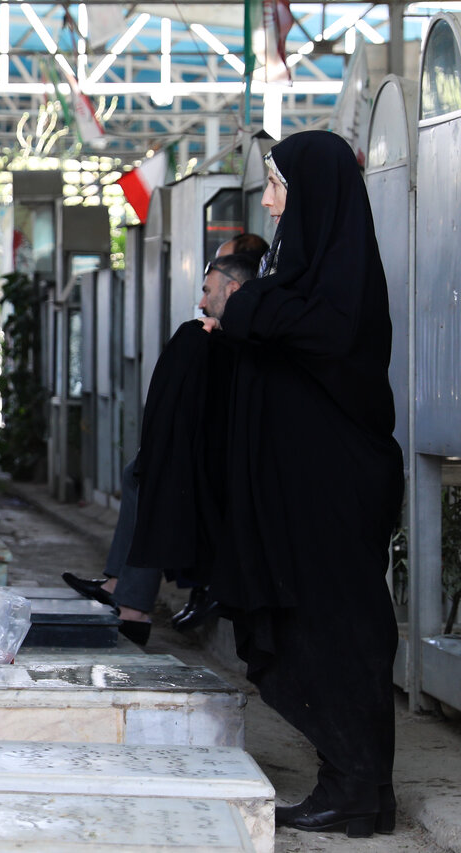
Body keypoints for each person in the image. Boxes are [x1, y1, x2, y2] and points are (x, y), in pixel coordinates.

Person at [203, 132, 403, 837]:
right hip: (307, 496)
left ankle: (356, 787)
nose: (267, 199)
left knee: (337, 632)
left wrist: (245, 310)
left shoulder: (340, 285)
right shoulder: (308, 274)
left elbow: (313, 331)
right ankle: (356, 785)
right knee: (318, 627)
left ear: (314, 193)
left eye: (279, 186)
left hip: (334, 493)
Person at [62, 240, 264, 645]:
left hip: (239, 464)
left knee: (148, 475)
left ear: (234, 289)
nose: (202, 302)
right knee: (142, 472)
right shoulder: (218, 334)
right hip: (217, 456)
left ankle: (130, 597)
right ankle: (125, 591)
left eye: (208, 291)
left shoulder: (246, 334)